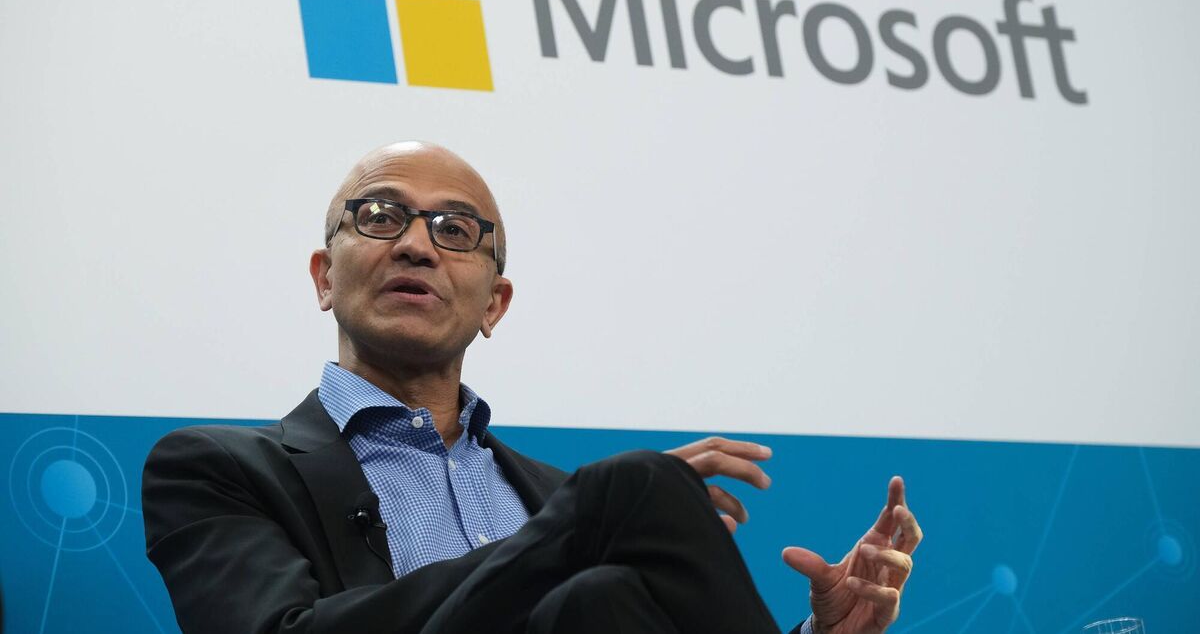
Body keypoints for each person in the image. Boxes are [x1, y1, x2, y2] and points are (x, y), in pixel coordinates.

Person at [142, 142, 923, 633]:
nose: (416, 245)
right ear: (324, 277)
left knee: (601, 600)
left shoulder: (557, 499)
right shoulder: (215, 466)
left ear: (495, 304)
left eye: (455, 230)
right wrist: (579, 525)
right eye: (380, 216)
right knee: (632, 488)